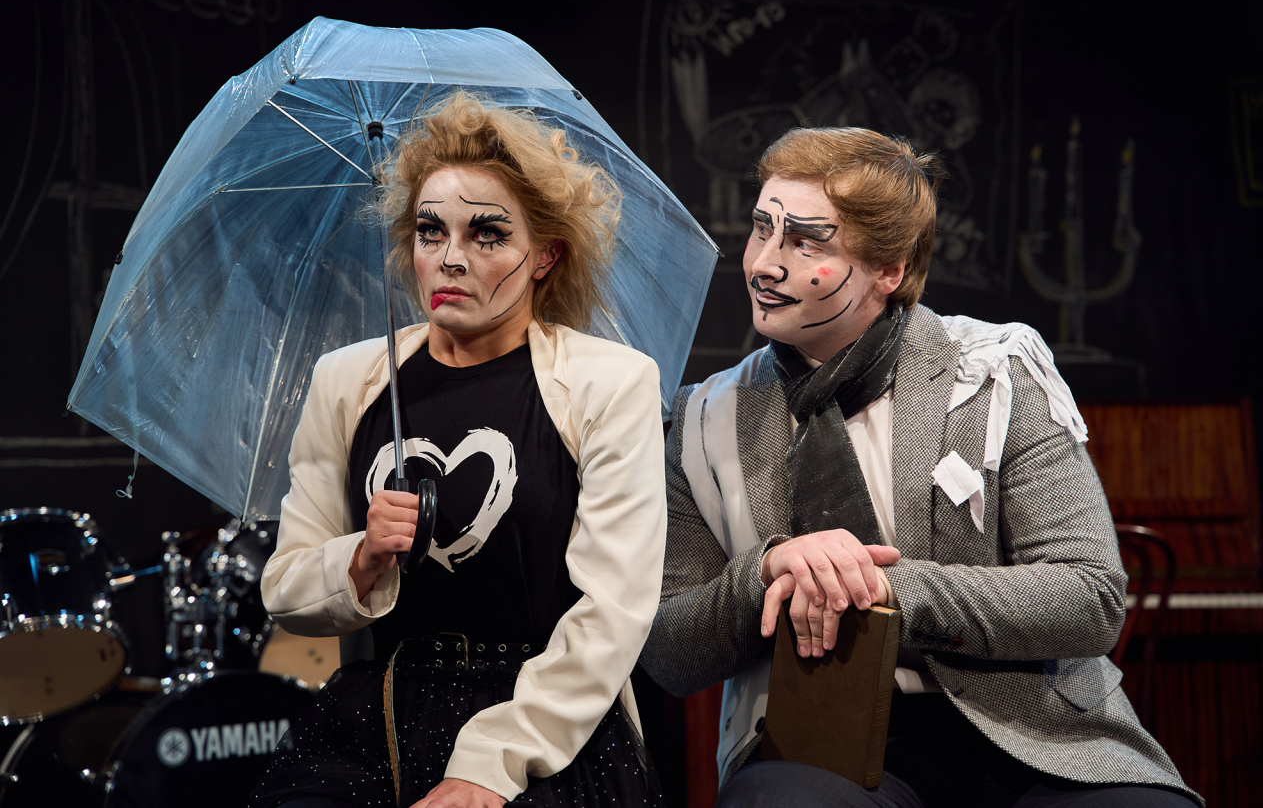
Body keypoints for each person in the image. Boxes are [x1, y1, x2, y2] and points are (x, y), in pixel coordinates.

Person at [639, 126, 1200, 807]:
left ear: (890, 270)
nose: (763, 263)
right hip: (820, 745)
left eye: (806, 242)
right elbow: (669, 653)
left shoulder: (993, 374)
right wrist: (767, 571)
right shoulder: (705, 417)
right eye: (762, 229)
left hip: (1030, 730)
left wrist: (885, 587)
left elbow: (1090, 597)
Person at [252, 91, 667, 808]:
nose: (449, 258)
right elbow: (286, 589)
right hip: (377, 717)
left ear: (545, 255)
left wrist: (490, 763)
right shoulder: (347, 380)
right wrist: (362, 556)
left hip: (547, 721)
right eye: (429, 231)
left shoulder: (609, 381)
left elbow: (614, 611)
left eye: (487, 235)